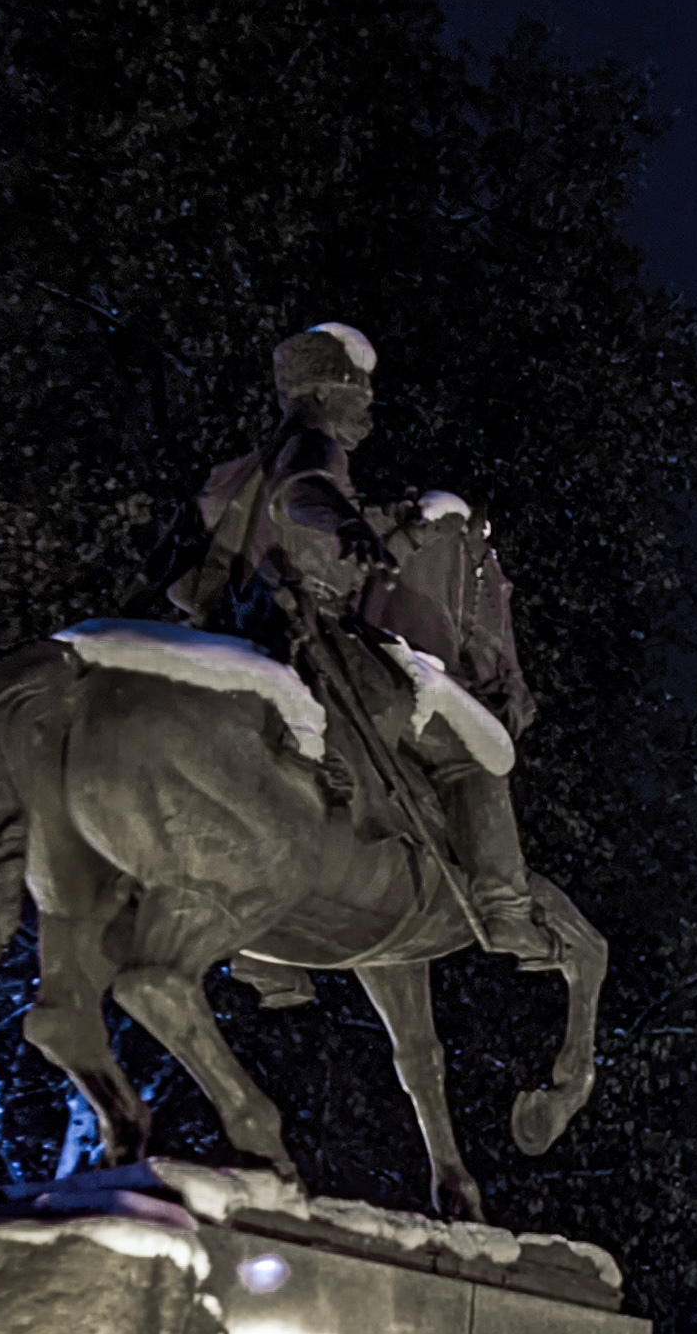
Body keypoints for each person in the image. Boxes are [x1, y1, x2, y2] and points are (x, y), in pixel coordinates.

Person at [166, 322, 550, 963]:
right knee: (474, 752)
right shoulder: (311, 446)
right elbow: (306, 492)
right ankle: (506, 908)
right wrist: (344, 523)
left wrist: (395, 538)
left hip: (237, 632)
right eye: (360, 394)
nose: (368, 411)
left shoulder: (239, 474)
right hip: (304, 630)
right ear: (325, 394)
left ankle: (266, 968)